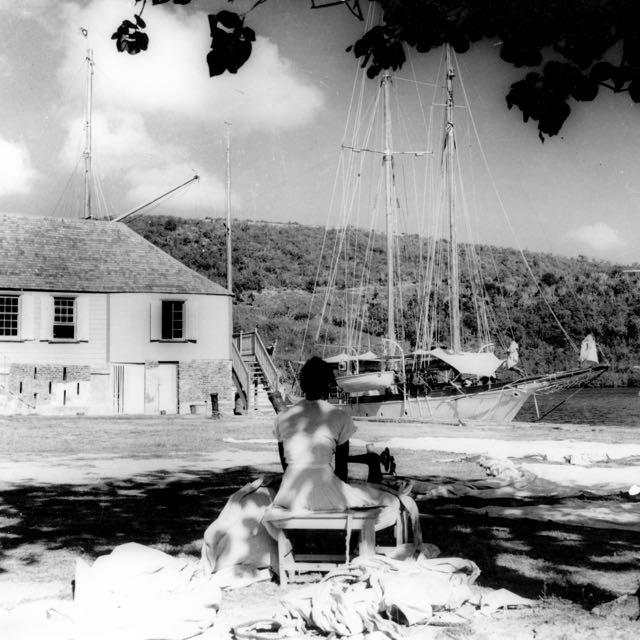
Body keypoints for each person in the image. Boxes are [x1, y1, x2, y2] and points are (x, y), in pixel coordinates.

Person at [270, 356, 396, 515]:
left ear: (302, 384)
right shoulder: (340, 416)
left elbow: (285, 465)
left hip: (289, 495)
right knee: (384, 499)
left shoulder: (283, 417)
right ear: (329, 384)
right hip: (325, 489)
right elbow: (342, 469)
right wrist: (338, 493)